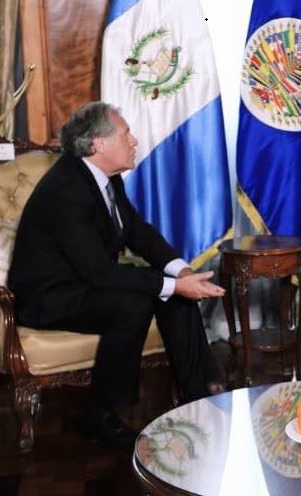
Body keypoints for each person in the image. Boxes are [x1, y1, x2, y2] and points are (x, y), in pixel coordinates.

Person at [8, 102, 226, 449]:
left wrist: (181, 272)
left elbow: (137, 231)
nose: (135, 141)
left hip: (83, 284)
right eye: (126, 134)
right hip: (48, 298)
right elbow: (99, 272)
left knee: (172, 293)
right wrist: (173, 284)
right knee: (136, 303)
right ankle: (100, 416)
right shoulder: (67, 189)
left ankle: (196, 393)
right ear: (98, 144)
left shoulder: (105, 178)